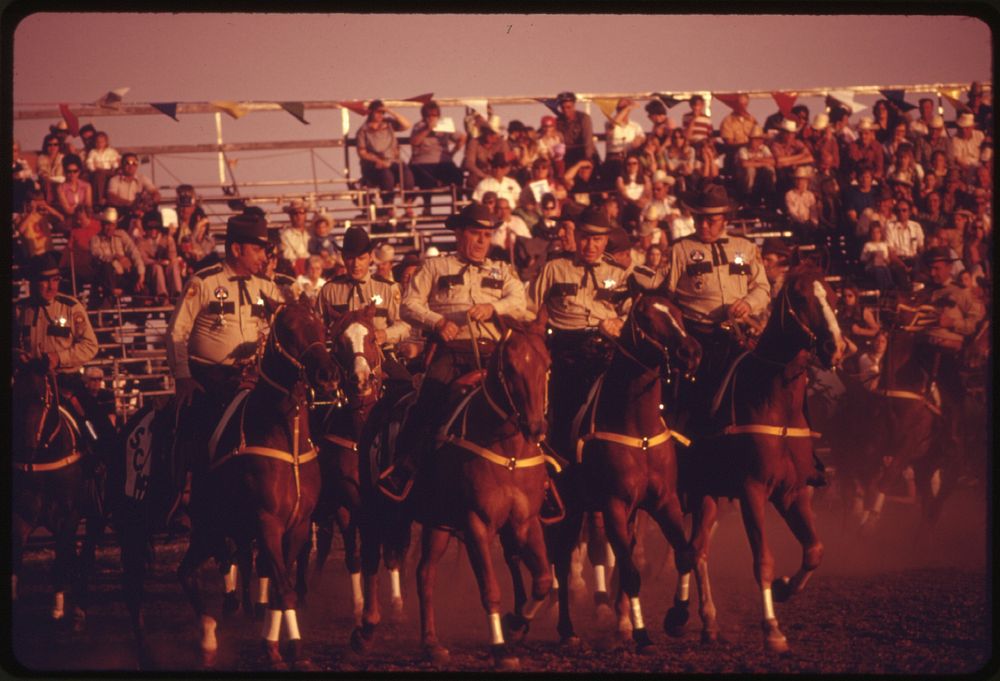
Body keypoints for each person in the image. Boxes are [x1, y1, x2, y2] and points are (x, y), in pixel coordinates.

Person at [377, 203, 527, 500]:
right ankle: (406, 466)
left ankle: (541, 472)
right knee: (428, 399)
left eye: (487, 234)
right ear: (459, 233)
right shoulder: (435, 267)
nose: (482, 241)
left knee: (528, 401)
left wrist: (493, 308)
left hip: (492, 354)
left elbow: (520, 302)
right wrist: (439, 321)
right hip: (452, 351)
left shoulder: (503, 270)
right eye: (475, 233)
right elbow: (409, 305)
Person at [166, 213, 287, 477]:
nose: (264, 258)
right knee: (193, 432)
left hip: (254, 379)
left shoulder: (268, 287)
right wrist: (183, 377)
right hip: (210, 381)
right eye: (257, 250)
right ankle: (186, 492)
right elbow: (177, 332)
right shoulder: (204, 283)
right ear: (236, 249)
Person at [666, 184, 770, 436]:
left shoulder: (745, 248)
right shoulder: (680, 250)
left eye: (710, 221)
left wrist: (748, 303)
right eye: (698, 219)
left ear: (725, 219)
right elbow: (666, 296)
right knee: (692, 402)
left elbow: (763, 288)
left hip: (738, 337)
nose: (703, 226)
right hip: (697, 339)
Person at [529, 209, 630, 458]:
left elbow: (633, 312)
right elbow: (528, 309)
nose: (590, 245)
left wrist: (619, 321)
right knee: (564, 409)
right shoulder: (555, 269)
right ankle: (561, 459)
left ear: (606, 240)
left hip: (607, 347)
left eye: (597, 239)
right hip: (566, 348)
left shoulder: (618, 273)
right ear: (577, 236)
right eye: (585, 237)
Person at [13, 252, 113, 451]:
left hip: (66, 382)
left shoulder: (70, 308)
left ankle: (103, 468)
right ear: (32, 282)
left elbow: (90, 345)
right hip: (29, 383)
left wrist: (58, 358)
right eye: (45, 281)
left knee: (99, 429)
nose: (52, 286)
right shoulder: (18, 310)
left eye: (56, 280)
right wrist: (15, 353)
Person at [317, 225, 410, 351]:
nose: (356, 264)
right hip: (341, 359)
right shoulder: (329, 290)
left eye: (361, 258)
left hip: (381, 355)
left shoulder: (389, 289)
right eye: (350, 258)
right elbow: (318, 327)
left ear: (370, 257)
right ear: (343, 258)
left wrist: (385, 334)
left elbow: (404, 325)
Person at [356, 99, 415, 212]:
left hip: (393, 161)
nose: (380, 115)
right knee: (387, 176)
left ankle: (408, 204)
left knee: (407, 175)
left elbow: (407, 125)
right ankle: (389, 204)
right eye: (377, 112)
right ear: (371, 112)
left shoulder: (389, 124)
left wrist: (389, 111)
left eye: (382, 112)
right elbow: (362, 152)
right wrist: (376, 160)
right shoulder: (363, 131)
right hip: (375, 164)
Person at [409, 100, 466, 215]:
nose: (432, 117)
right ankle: (427, 206)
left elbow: (462, 137)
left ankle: (457, 206)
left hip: (443, 162)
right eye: (429, 115)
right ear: (424, 116)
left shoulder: (444, 125)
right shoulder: (419, 126)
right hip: (423, 162)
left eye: (434, 115)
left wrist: (453, 152)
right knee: (424, 178)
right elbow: (414, 142)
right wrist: (428, 128)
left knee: (458, 175)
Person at [89, 206, 146, 306]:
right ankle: (113, 293)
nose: (109, 228)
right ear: (102, 225)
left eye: (112, 225)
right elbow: (96, 254)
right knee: (106, 266)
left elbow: (134, 252)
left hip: (123, 276)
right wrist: (117, 257)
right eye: (107, 224)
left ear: (116, 225)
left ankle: (138, 315)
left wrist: (141, 275)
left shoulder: (122, 235)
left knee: (141, 284)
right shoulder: (95, 239)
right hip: (106, 278)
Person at [136, 209, 182, 302]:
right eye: (150, 228)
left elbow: (172, 257)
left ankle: (177, 294)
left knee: (174, 265)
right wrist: (157, 262)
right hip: (151, 273)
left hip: (167, 270)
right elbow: (143, 259)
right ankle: (162, 296)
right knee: (157, 267)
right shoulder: (141, 242)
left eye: (156, 228)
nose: (153, 231)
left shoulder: (167, 239)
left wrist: (169, 239)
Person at [602, 97, 646, 180]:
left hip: (629, 160)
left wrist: (639, 141)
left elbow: (642, 139)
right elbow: (614, 123)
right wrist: (628, 107)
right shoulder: (609, 123)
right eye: (619, 108)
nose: (622, 110)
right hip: (613, 160)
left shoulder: (636, 126)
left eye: (623, 108)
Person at [736, 125, 777, 206]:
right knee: (750, 170)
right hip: (744, 179)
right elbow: (744, 164)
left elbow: (772, 161)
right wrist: (763, 162)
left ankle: (770, 194)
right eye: (754, 139)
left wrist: (755, 160)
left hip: (760, 176)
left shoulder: (764, 148)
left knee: (769, 169)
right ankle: (748, 195)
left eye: (758, 139)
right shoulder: (743, 150)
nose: (756, 142)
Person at [555, 91, 597, 168]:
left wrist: (587, 159)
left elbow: (588, 141)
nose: (566, 110)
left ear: (574, 106)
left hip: (583, 153)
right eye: (563, 108)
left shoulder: (583, 118)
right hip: (567, 156)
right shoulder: (558, 121)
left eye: (568, 107)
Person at [84, 131, 120, 207]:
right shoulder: (93, 152)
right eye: (97, 142)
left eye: (102, 142)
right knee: (99, 175)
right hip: (97, 171)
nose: (100, 144)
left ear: (106, 142)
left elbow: (115, 161)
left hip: (109, 171)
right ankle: (99, 199)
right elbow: (89, 162)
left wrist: (115, 167)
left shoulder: (111, 151)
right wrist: (93, 169)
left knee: (107, 175)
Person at [280, 198, 312, 275]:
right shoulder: (285, 235)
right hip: (295, 272)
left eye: (301, 212)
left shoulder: (312, 233)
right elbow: (289, 257)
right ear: (290, 216)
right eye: (295, 213)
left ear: (306, 215)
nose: (298, 216)